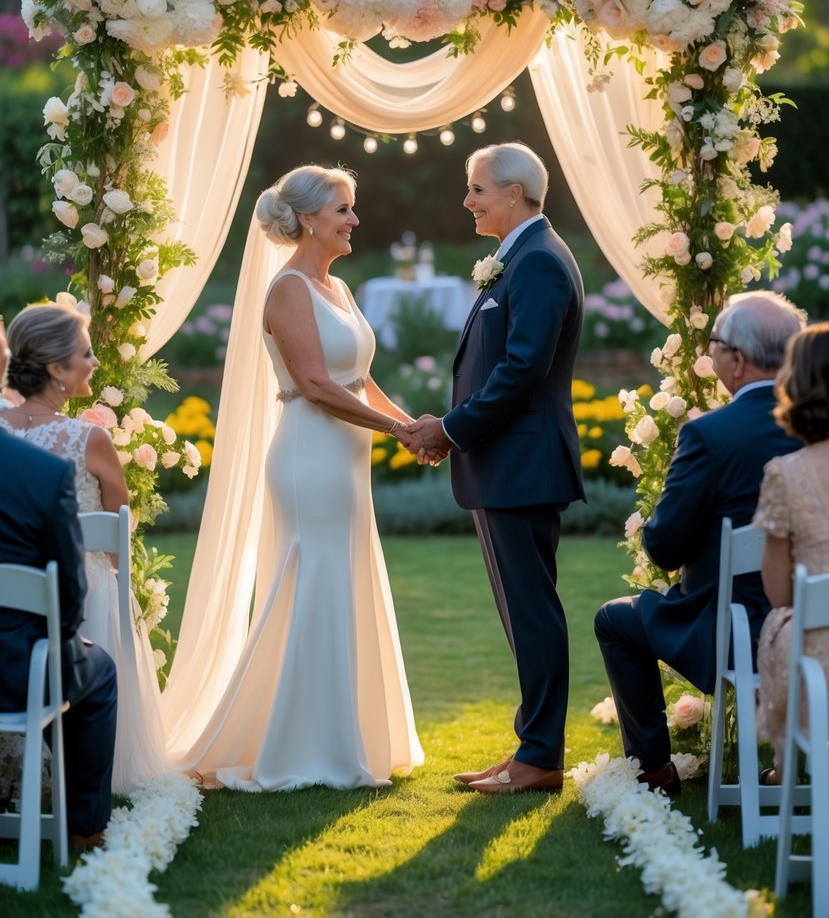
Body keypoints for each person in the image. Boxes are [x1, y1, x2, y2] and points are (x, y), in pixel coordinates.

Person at [173, 164, 423, 790]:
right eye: (344, 209)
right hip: (309, 454)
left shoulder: (336, 289)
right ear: (309, 218)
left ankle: (347, 736)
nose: (355, 220)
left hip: (345, 456)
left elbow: (357, 379)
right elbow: (314, 384)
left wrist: (414, 426)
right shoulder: (288, 289)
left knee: (341, 580)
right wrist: (396, 433)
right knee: (314, 585)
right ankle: (304, 746)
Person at [407, 142, 585, 794]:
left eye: (476, 189)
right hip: (505, 463)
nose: (466, 200)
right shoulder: (520, 257)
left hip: (521, 464)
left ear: (513, 193)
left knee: (531, 612)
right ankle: (529, 749)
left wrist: (450, 429)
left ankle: (539, 758)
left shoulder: (536, 261)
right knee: (521, 611)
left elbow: (521, 370)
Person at [594, 290, 805, 795]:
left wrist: (651, 523)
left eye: (713, 342)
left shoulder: (711, 434)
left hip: (737, 627)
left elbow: (665, 547)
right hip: (816, 619)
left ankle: (653, 770)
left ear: (737, 358)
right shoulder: (815, 430)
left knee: (615, 620)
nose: (708, 353)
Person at [0, 301, 166, 795]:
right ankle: (88, 799)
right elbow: (119, 534)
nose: (94, 363)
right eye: (86, 353)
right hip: (78, 601)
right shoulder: (89, 438)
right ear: (57, 369)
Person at [0, 426, 117, 850]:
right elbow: (69, 594)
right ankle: (84, 830)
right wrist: (66, 637)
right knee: (97, 671)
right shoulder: (43, 472)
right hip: (14, 672)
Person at [753, 322, 829, 781]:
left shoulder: (785, 474)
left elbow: (779, 592)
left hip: (821, 659)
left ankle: (785, 769)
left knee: (780, 621)